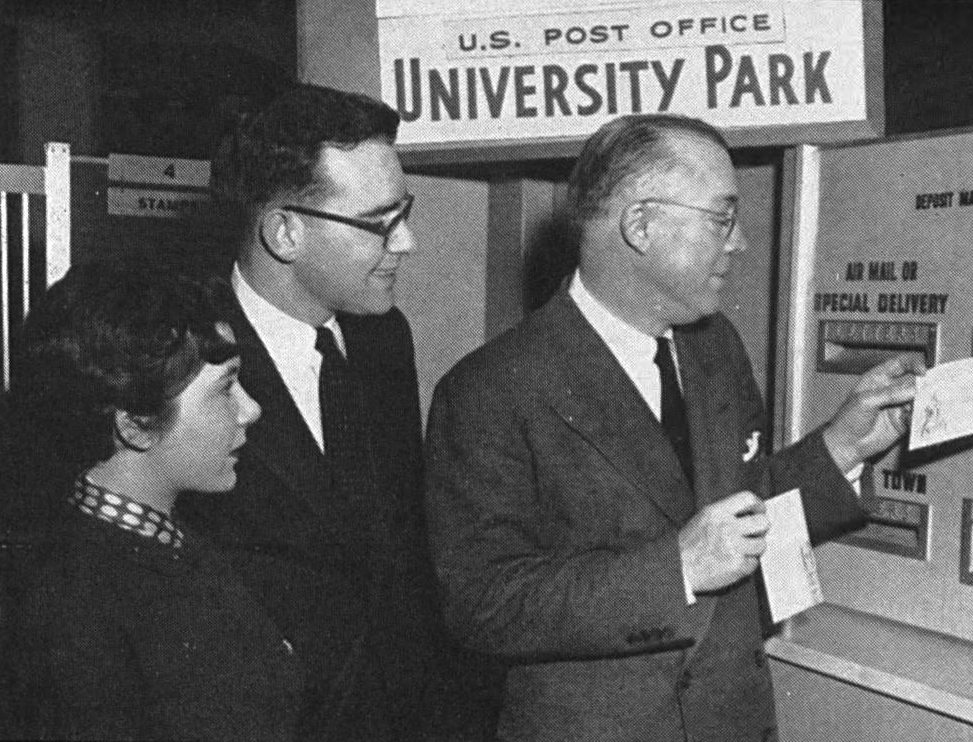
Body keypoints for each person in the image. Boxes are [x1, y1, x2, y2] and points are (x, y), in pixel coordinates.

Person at [424, 113, 923, 742]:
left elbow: (737, 508)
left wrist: (843, 445)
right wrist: (675, 570)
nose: (739, 241)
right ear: (640, 224)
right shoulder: (489, 390)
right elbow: (483, 604)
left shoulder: (715, 347)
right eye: (721, 218)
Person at [175, 83, 492, 741]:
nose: (405, 242)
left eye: (403, 212)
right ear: (285, 231)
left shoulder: (384, 337)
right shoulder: (181, 357)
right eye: (379, 222)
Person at [3, 261, 301, 740]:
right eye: (225, 388)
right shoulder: (74, 603)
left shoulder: (171, 539)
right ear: (135, 424)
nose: (252, 409)